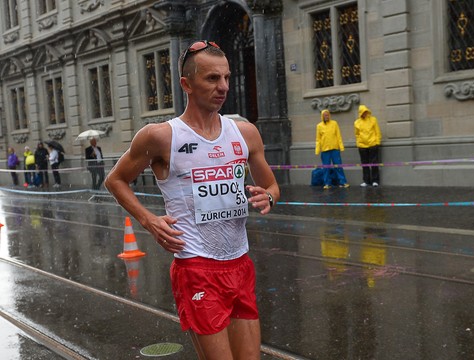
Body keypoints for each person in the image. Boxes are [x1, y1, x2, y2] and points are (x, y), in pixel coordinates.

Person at [105, 40, 279, 360]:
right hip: (196, 266)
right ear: (187, 84)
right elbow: (115, 180)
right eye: (212, 78)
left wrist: (268, 196)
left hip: (240, 263)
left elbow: (271, 185)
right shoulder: (160, 136)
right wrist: (150, 220)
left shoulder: (245, 133)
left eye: (226, 77)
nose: (223, 86)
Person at [315, 109, 349, 189]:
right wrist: (317, 149)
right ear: (322, 116)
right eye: (325, 115)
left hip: (335, 148)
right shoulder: (319, 126)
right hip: (325, 150)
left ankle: (343, 182)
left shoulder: (334, 123)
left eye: (327, 115)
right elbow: (318, 139)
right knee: (326, 167)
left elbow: (338, 136)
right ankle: (327, 183)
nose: (326, 116)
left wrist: (341, 146)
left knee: (338, 166)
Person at [354, 104, 382, 187]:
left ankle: (375, 180)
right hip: (362, 146)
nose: (365, 113)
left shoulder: (373, 120)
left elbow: (377, 131)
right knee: (364, 164)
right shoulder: (357, 122)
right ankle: (366, 181)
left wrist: (377, 142)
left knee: (374, 163)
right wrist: (359, 143)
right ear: (360, 113)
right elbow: (357, 134)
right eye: (363, 112)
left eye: (366, 112)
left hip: (373, 144)